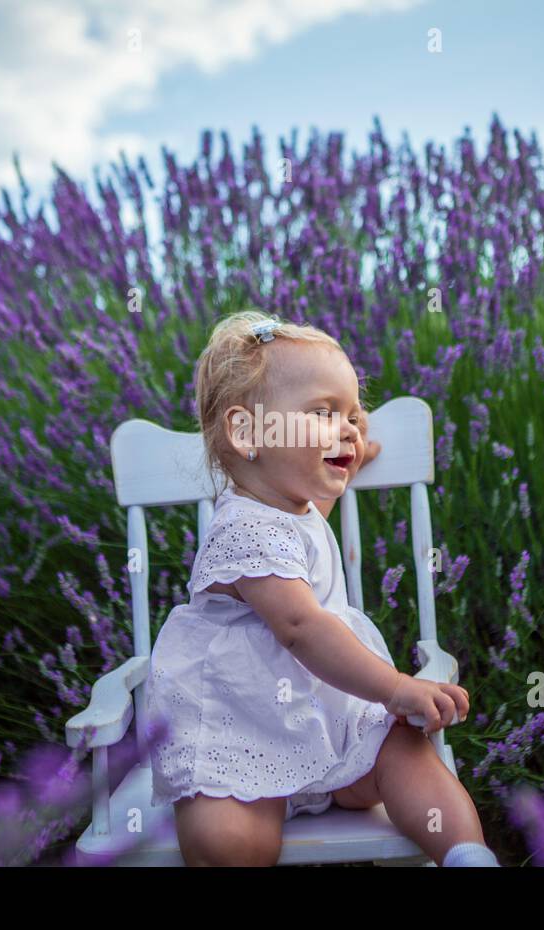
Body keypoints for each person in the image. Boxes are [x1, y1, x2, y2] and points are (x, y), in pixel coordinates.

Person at [139, 309, 499, 867]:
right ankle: (240, 821)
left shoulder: (295, 504)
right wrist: (395, 687)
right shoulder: (243, 530)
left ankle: (466, 855)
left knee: (405, 752)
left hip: (328, 725)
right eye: (325, 413)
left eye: (354, 417)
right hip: (244, 735)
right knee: (227, 841)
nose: (350, 430)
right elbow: (301, 627)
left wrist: (345, 457)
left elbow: (318, 505)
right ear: (248, 432)